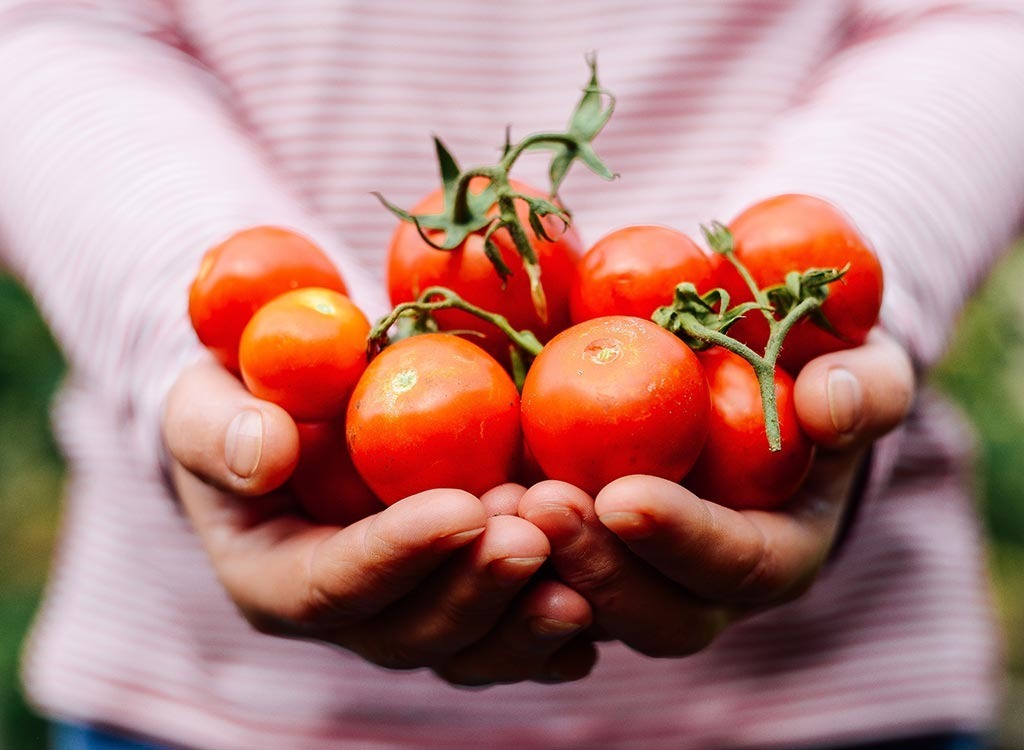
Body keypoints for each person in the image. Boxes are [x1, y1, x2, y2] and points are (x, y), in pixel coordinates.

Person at [1, 1, 1022, 748]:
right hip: (206, 703)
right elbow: (45, 32)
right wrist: (190, 346)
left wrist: (808, 326)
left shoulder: (711, 342)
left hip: (830, 695)